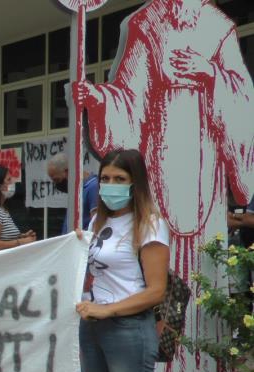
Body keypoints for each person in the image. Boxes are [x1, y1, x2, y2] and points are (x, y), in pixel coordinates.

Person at [74, 0, 253, 275]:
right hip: (159, 160)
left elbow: (243, 97)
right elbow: (129, 98)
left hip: (205, 164)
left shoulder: (219, 27)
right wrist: (99, 99)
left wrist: (210, 73)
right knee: (157, 243)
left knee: (204, 263)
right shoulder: (146, 23)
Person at [67, 149, 169, 372]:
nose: (110, 186)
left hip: (128, 331)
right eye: (105, 178)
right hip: (93, 328)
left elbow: (156, 290)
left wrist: (109, 310)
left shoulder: (150, 224)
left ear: (135, 183)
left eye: (119, 180)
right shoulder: (98, 219)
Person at [0, 166, 36, 253]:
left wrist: (20, 237)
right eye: (8, 180)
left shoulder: (1, 209)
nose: (12, 183)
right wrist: (21, 242)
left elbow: (2, 238)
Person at [46, 153, 99, 234]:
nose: (57, 184)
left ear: (68, 171)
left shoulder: (93, 187)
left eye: (57, 180)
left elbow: (96, 225)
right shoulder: (76, 190)